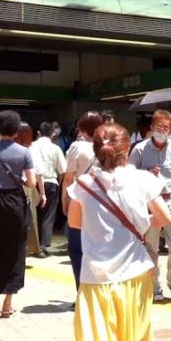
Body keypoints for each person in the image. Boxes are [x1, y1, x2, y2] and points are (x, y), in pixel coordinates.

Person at [66, 123, 170, 341]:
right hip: (137, 275)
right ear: (128, 149)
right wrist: (140, 223)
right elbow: (165, 217)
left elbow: (74, 224)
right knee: (129, 337)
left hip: (96, 277)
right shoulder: (143, 179)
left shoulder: (83, 184)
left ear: (96, 149)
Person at [0, 111, 38, 319]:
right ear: (16, 130)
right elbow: (31, 183)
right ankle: (7, 303)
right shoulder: (24, 153)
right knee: (15, 249)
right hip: (15, 201)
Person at [130, 110, 171, 302]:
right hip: (150, 203)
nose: (162, 131)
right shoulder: (139, 150)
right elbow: (129, 176)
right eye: (159, 127)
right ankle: (154, 286)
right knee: (151, 246)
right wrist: (145, 172)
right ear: (151, 128)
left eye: (166, 127)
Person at [64, 111, 106, 288]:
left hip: (81, 201)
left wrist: (65, 205)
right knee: (99, 250)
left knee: (77, 250)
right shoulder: (108, 145)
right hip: (104, 204)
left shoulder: (77, 147)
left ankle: (82, 291)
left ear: (81, 128)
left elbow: (68, 180)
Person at [33, 122, 67, 259]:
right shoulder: (56, 148)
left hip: (33, 183)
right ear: (52, 134)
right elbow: (62, 170)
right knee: (48, 215)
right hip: (51, 182)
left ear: (38, 133)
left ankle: (33, 243)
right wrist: (58, 182)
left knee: (34, 214)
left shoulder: (32, 146)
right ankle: (43, 246)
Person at [17, 123, 44, 258]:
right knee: (31, 218)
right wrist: (43, 193)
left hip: (10, 187)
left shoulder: (8, 148)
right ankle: (33, 247)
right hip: (28, 186)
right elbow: (39, 173)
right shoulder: (32, 150)